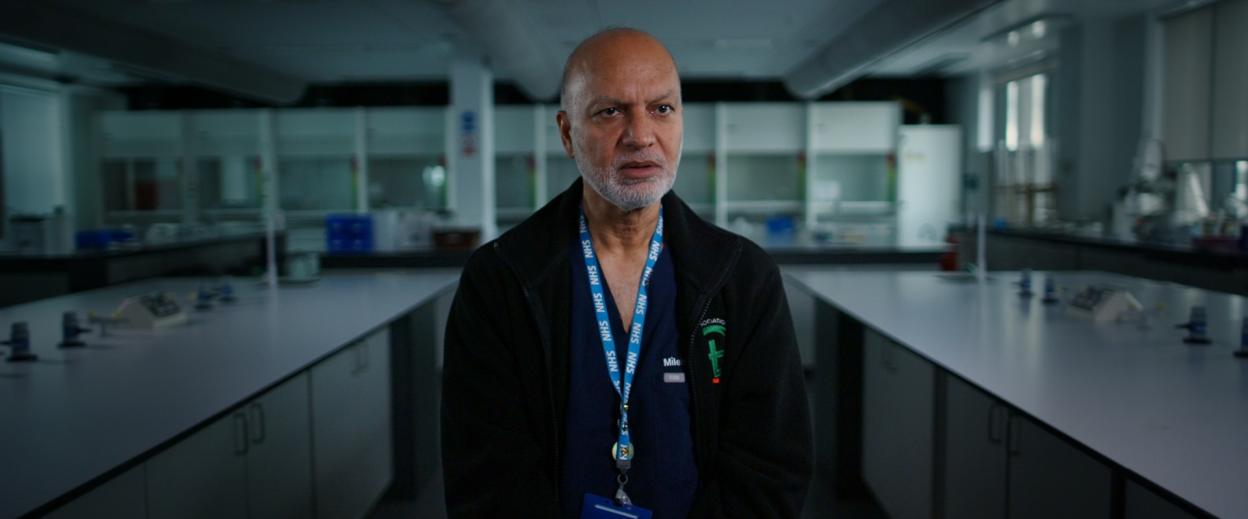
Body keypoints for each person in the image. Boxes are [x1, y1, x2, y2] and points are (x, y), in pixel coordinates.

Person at [442, 28, 812, 518]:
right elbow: (486, 474)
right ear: (567, 133)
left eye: (662, 109)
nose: (640, 135)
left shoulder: (742, 277)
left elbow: (771, 466)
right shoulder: (502, 280)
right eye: (610, 111)